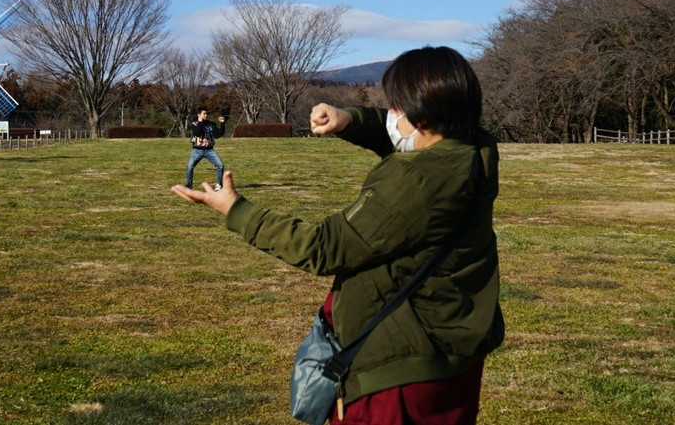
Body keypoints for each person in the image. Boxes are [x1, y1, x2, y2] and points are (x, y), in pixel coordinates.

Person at [173, 46, 503, 424]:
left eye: (397, 107)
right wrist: (348, 120)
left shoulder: (416, 178)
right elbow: (397, 134)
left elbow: (323, 247)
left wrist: (236, 210)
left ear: (423, 113)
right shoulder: (475, 150)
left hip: (399, 376)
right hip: (452, 360)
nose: (392, 116)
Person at [186, 107, 226, 190]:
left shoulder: (211, 124)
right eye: (204, 113)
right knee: (190, 167)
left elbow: (218, 135)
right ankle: (189, 185)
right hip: (197, 150)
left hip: (209, 150)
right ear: (199, 115)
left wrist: (222, 124)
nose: (206, 115)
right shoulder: (194, 124)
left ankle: (219, 184)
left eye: (206, 113)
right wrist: (200, 122)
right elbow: (197, 133)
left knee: (220, 165)